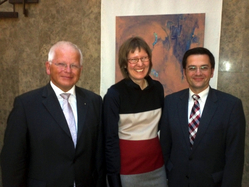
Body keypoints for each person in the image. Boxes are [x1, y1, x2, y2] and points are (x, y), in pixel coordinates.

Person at [1, 41, 106, 187]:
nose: (68, 70)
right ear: (48, 67)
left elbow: (99, 156)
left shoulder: (94, 101)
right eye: (61, 64)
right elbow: (12, 161)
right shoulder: (26, 105)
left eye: (74, 65)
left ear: (81, 69)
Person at [160, 47, 246, 187]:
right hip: (177, 182)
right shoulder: (170, 102)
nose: (198, 73)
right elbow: (165, 147)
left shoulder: (231, 106)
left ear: (212, 71)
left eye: (204, 67)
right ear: (185, 72)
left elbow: (234, 158)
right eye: (192, 68)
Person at [103, 36, 167, 187]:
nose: (140, 64)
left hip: (157, 168)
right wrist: (113, 178)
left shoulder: (157, 89)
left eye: (144, 58)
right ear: (125, 64)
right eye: (133, 59)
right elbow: (109, 140)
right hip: (127, 172)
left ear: (150, 60)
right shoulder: (114, 94)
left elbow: (160, 127)